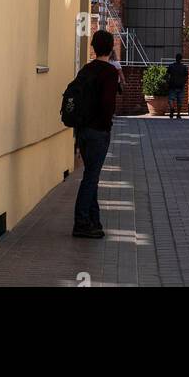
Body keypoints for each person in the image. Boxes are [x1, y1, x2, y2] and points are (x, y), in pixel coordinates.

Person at [71, 28, 120, 239]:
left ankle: (94, 220)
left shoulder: (86, 69)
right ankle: (81, 222)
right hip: (98, 131)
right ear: (111, 49)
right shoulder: (109, 72)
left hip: (82, 130)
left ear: (93, 47)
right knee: (91, 178)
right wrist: (106, 125)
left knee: (91, 175)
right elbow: (107, 104)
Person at [167, 52, 189, 119]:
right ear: (181, 59)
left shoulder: (171, 66)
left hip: (172, 85)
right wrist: (184, 82)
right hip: (180, 85)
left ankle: (172, 108)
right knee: (179, 100)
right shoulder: (184, 67)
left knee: (171, 99)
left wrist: (168, 82)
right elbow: (186, 76)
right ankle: (178, 114)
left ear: (175, 59)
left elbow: (167, 75)